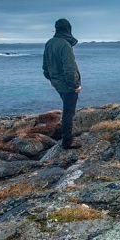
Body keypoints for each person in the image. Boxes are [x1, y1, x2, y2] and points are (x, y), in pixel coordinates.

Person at [43, 18, 82, 149]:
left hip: (58, 84)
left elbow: (45, 67)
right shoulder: (65, 45)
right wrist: (75, 86)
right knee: (68, 113)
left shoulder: (49, 43)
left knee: (67, 110)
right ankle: (67, 141)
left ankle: (66, 136)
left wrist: (52, 81)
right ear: (68, 29)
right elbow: (69, 69)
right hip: (68, 85)